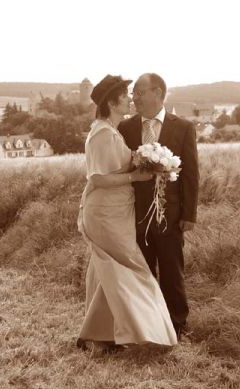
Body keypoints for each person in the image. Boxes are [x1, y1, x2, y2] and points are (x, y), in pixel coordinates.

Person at [77, 75, 177, 352]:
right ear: (111, 103)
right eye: (124, 96)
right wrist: (136, 176)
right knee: (131, 269)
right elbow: (98, 179)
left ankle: (101, 335)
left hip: (116, 211)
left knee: (107, 273)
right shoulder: (103, 133)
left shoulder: (110, 131)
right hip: (106, 214)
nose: (130, 99)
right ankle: (147, 332)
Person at [119, 73, 199, 339]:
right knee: (142, 272)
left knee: (172, 272)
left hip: (171, 215)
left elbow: (191, 174)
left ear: (158, 92)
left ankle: (178, 325)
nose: (135, 98)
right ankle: (148, 325)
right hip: (135, 214)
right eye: (133, 94)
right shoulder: (125, 128)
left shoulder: (183, 127)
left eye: (139, 92)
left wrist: (189, 214)